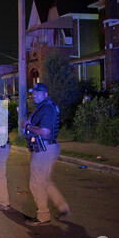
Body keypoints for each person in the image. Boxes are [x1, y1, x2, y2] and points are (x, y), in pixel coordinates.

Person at [24, 83, 70, 226]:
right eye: (33, 93)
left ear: (45, 94)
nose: (34, 95)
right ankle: (62, 207)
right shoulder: (46, 107)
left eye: (37, 93)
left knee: (36, 184)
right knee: (45, 181)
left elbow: (45, 131)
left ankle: (43, 216)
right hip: (47, 148)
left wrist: (27, 126)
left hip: (44, 149)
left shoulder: (47, 108)